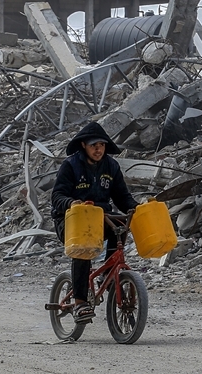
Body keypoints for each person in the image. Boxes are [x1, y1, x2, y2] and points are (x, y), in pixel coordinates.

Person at [51, 122, 139, 323]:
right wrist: (72, 203)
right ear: (83, 145)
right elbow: (57, 196)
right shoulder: (71, 165)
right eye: (94, 145)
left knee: (121, 226)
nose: (98, 149)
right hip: (72, 220)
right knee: (83, 248)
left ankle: (108, 273)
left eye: (102, 145)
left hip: (101, 218)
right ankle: (80, 301)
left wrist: (135, 207)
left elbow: (122, 197)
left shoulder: (111, 166)